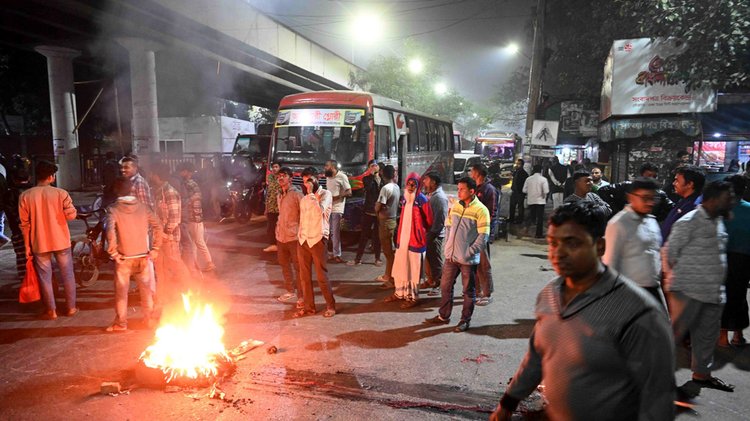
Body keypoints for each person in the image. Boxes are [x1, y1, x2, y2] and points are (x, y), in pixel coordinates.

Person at [490, 201, 675, 421]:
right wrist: (507, 404)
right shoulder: (549, 294)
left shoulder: (639, 312)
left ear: (600, 247)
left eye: (572, 243)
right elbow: (537, 356)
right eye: (553, 243)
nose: (559, 253)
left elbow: (657, 398)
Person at [664, 181, 735, 393]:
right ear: (712, 199)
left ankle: (702, 375)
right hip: (687, 291)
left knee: (706, 337)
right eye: (727, 196)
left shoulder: (718, 221)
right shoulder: (689, 221)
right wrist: (674, 285)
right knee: (673, 337)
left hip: (712, 292)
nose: (731, 200)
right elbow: (670, 253)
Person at [424, 177, 489, 333]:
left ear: (472, 191)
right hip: (451, 257)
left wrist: (469, 252)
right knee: (445, 286)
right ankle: (443, 316)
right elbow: (449, 226)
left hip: (467, 259)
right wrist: (448, 247)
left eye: (462, 189)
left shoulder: (481, 210)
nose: (458, 191)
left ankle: (464, 320)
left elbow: (483, 237)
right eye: (458, 188)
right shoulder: (456, 206)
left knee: (468, 291)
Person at [19, 160, 78, 320]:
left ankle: (51, 311)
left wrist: (27, 247)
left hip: (40, 243)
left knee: (45, 277)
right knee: (67, 275)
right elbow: (71, 215)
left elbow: (24, 225)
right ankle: (71, 307)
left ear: (36, 176)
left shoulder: (25, 196)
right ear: (51, 177)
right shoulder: (61, 193)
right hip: (61, 241)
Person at [105, 176, 163, 332]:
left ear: (116, 191)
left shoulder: (113, 209)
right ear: (132, 189)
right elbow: (158, 226)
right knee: (146, 292)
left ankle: (121, 323)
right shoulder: (144, 208)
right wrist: (156, 249)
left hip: (124, 258)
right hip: (144, 257)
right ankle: (149, 320)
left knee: (121, 294)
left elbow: (110, 232)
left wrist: (114, 253)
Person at [603, 177, 666, 308]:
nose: (650, 203)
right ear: (630, 197)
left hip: (653, 289)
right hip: (629, 293)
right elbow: (610, 264)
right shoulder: (619, 224)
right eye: (645, 198)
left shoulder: (651, 221)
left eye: (653, 198)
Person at [295, 166, 336, 318]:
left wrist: (312, 194)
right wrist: (299, 236)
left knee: (321, 276)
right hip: (304, 240)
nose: (307, 184)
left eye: (310, 180)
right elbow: (302, 218)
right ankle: (308, 307)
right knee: (304, 277)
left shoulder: (325, 194)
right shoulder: (304, 198)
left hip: (318, 239)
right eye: (305, 181)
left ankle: (330, 305)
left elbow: (320, 211)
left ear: (317, 178)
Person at [386, 172, 430, 309]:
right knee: (400, 267)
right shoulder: (405, 199)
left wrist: (419, 233)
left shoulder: (422, 200)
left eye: (413, 184)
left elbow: (429, 220)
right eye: (409, 184)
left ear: (418, 185)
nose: (411, 187)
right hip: (403, 240)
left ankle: (412, 297)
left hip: (415, 242)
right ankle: (399, 293)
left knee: (413, 270)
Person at [148, 163, 189, 305]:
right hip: (159, 239)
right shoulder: (158, 191)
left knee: (175, 264)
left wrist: (165, 233)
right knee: (160, 270)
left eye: (152, 173)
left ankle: (189, 291)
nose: (150, 176)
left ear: (157, 175)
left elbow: (175, 218)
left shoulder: (169, 192)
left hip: (169, 239)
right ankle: (162, 299)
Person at [719, 175, 750, 348]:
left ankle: (722, 337)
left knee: (723, 296)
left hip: (723, 257)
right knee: (739, 296)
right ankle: (738, 335)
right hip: (745, 260)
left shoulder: (720, 209)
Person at [177, 162, 215, 273]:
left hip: (195, 217)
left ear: (187, 172)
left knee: (198, 241)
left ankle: (209, 263)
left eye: (182, 171)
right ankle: (194, 264)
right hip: (191, 217)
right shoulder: (187, 183)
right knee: (193, 242)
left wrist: (185, 202)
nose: (181, 173)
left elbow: (197, 195)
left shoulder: (190, 183)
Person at [274, 167, 304, 306]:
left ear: (290, 178)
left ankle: (302, 295)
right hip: (281, 237)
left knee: (298, 267)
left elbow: (304, 214)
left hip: (294, 237)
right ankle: (289, 290)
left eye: (284, 175)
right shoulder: (280, 194)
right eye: (279, 176)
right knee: (284, 264)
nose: (281, 178)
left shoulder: (296, 194)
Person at [470, 163, 498, 306]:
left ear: (478, 173)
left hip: (482, 231)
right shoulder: (477, 188)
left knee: (484, 264)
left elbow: (491, 213)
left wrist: (486, 232)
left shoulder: (489, 190)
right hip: (473, 231)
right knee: (475, 263)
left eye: (472, 170)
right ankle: (477, 290)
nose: (470, 172)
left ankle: (487, 293)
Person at [349, 159, 383, 266]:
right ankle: (358, 259)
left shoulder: (383, 180)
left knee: (377, 237)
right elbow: (368, 189)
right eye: (372, 166)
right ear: (369, 169)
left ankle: (377, 258)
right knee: (364, 236)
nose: (374, 167)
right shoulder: (366, 179)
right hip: (368, 211)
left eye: (376, 165)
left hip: (379, 212)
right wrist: (372, 176)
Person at [660, 165, 705, 243]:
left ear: (689, 184)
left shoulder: (694, 207)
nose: (674, 183)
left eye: (677, 181)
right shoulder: (684, 201)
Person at [420, 171, 448, 295]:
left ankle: (439, 285)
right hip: (429, 233)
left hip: (434, 234)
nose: (424, 182)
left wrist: (432, 234)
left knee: (435, 261)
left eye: (427, 180)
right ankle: (431, 280)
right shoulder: (431, 194)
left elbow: (440, 219)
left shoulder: (439, 197)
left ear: (433, 182)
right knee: (429, 260)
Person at [375, 165, 400, 288]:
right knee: (390, 251)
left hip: (385, 222)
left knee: (388, 252)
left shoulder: (385, 188)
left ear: (383, 174)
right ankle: (388, 275)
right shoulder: (396, 187)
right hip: (393, 220)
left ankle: (390, 278)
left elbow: (379, 206)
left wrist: (377, 208)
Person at [324, 160, 351, 264]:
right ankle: (330, 252)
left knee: (335, 232)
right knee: (328, 231)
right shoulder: (328, 176)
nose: (325, 168)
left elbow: (349, 191)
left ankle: (337, 254)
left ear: (333, 167)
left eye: (327, 166)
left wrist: (337, 197)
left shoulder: (342, 176)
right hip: (327, 207)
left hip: (337, 208)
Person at [522, 164, 549, 239]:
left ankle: (525, 230)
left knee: (530, 216)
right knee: (540, 218)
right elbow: (546, 191)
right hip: (541, 201)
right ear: (541, 170)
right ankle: (538, 234)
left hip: (531, 200)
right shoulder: (543, 179)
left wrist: (530, 192)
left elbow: (524, 190)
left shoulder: (528, 179)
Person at [263, 162, 281, 253]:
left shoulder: (282, 178)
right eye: (273, 167)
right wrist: (266, 208)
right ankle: (272, 244)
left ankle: (280, 245)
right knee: (270, 227)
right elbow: (268, 193)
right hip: (271, 207)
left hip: (280, 208)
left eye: (276, 167)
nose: (274, 169)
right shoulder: (269, 178)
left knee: (280, 227)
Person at [508, 158, 528, 225]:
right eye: (517, 163)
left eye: (518, 164)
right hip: (514, 192)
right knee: (512, 205)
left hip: (520, 193)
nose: (517, 165)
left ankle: (520, 220)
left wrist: (523, 192)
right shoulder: (516, 171)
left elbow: (525, 183)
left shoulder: (524, 173)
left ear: (522, 165)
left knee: (520, 207)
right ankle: (511, 218)